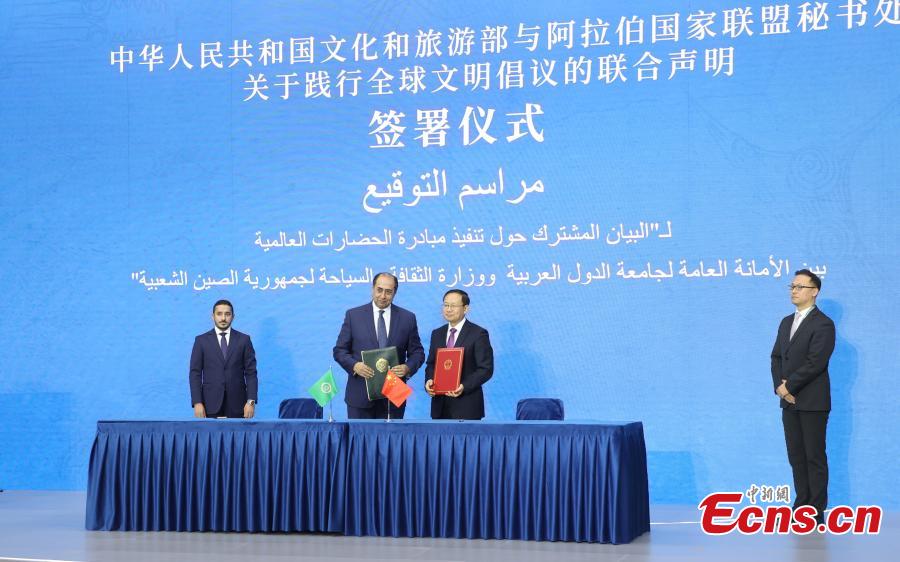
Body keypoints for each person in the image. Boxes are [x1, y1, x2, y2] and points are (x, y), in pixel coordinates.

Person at [770, 269, 835, 523]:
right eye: (792, 286)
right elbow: (776, 357)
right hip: (788, 402)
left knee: (814, 457)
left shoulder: (823, 324)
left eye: (800, 287)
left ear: (814, 291)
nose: (794, 291)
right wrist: (780, 388)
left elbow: (815, 362)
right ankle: (801, 507)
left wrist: (790, 387)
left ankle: (816, 512)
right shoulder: (786, 322)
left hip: (813, 401)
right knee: (796, 456)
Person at [333, 272, 425, 419]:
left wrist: (407, 368)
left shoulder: (407, 318)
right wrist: (354, 366)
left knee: (393, 435)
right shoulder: (353, 316)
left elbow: (418, 353)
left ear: (395, 292)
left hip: (394, 395)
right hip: (360, 396)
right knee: (360, 435)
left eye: (388, 292)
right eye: (379, 290)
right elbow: (339, 351)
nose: (383, 296)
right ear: (372, 289)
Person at [424, 289, 494, 420]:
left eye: (453, 306)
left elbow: (485, 369)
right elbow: (431, 364)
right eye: (446, 305)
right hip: (440, 406)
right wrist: (429, 381)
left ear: (465, 308)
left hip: (467, 406)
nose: (448, 309)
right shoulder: (437, 333)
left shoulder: (478, 333)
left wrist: (464, 386)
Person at [189, 299, 258, 418]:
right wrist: (197, 402)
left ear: (233, 317)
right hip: (209, 405)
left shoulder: (244, 340)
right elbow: (195, 373)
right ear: (212, 316)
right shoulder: (201, 341)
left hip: (239, 405)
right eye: (219, 314)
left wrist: (250, 402)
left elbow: (251, 373)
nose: (223, 318)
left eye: (227, 314)